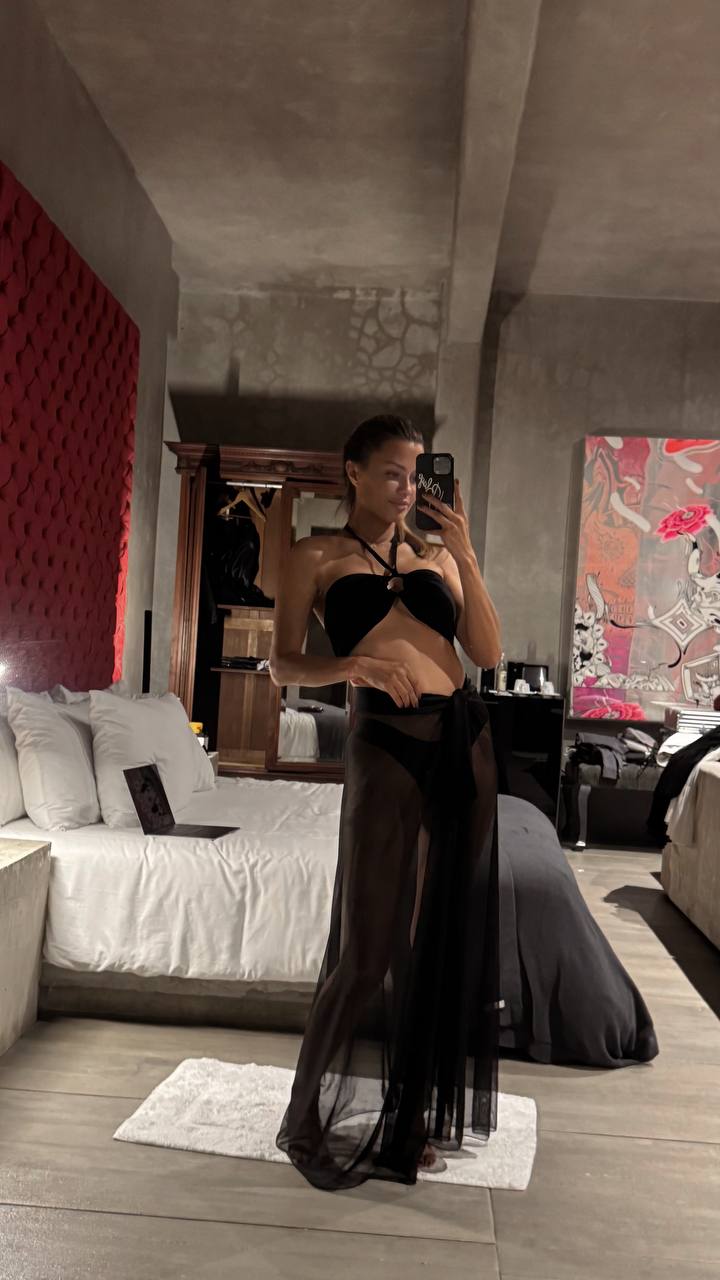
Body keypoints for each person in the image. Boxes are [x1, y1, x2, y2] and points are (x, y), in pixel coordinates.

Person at [270, 414, 502, 1191]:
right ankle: (303, 1117)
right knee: (369, 949)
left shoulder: (439, 555)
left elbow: (488, 651)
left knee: (430, 945)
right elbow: (282, 665)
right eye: (393, 474)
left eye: (416, 475)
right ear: (355, 473)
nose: (407, 489)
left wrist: (465, 551)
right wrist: (356, 667)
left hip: (462, 740)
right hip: (385, 744)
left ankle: (409, 1123)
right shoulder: (316, 555)